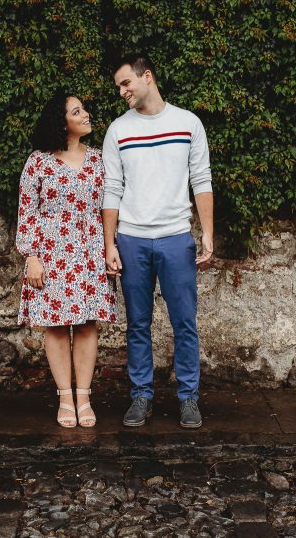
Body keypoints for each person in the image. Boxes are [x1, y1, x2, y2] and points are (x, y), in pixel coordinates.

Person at [102, 53, 213, 429]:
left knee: (184, 322)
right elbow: (111, 189)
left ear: (146, 76)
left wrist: (208, 233)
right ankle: (141, 396)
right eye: (119, 86)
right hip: (132, 239)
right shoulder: (118, 130)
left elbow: (202, 180)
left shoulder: (187, 123)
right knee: (137, 323)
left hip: (175, 238)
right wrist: (109, 244)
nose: (122, 91)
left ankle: (188, 398)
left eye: (126, 83)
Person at [16, 91, 118, 428]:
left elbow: (110, 207)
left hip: (89, 253)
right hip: (51, 255)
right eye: (77, 111)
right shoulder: (39, 161)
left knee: (88, 324)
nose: (86, 114)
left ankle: (84, 397)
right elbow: (27, 211)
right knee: (57, 327)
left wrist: (110, 247)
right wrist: (31, 256)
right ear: (63, 123)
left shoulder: (100, 159)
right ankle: (64, 398)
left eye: (84, 108)